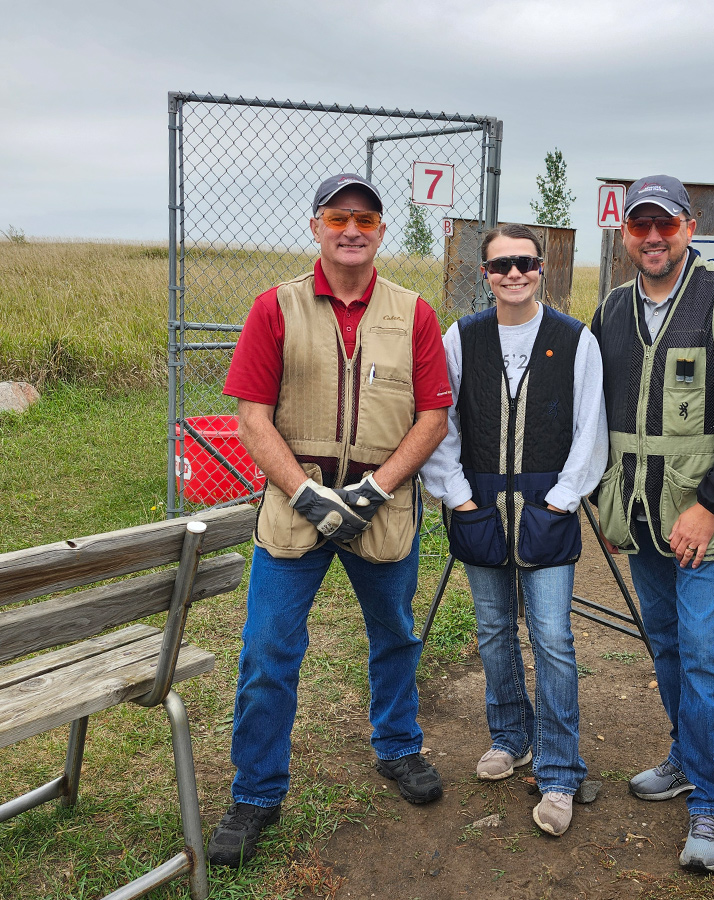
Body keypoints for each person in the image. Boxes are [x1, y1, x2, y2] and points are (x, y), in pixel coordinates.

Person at [209, 173, 453, 867]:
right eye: (339, 217)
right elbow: (252, 418)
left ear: (380, 233)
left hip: (382, 504)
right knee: (267, 652)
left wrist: (373, 491)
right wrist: (306, 494)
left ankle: (399, 748)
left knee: (397, 636)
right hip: (297, 507)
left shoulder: (414, 313)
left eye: (367, 220)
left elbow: (433, 415)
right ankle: (256, 793)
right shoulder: (275, 308)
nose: (353, 229)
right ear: (315, 225)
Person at [591, 175, 714, 872]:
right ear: (626, 234)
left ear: (689, 228)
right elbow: (592, 412)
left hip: (702, 518)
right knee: (664, 641)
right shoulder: (610, 310)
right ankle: (683, 752)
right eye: (639, 226)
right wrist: (603, 499)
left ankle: (709, 802)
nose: (652, 237)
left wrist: (711, 503)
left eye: (664, 224)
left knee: (702, 650)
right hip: (638, 516)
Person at [421, 224, 607, 837]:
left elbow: (590, 427)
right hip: (480, 504)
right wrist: (459, 494)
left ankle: (559, 770)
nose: (514, 275)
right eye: (501, 266)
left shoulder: (574, 339)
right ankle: (509, 736)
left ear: (542, 268)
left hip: (544, 506)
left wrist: (560, 500)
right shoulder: (463, 337)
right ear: (486, 274)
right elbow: (440, 420)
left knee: (552, 636)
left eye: (524, 263)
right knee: (495, 628)